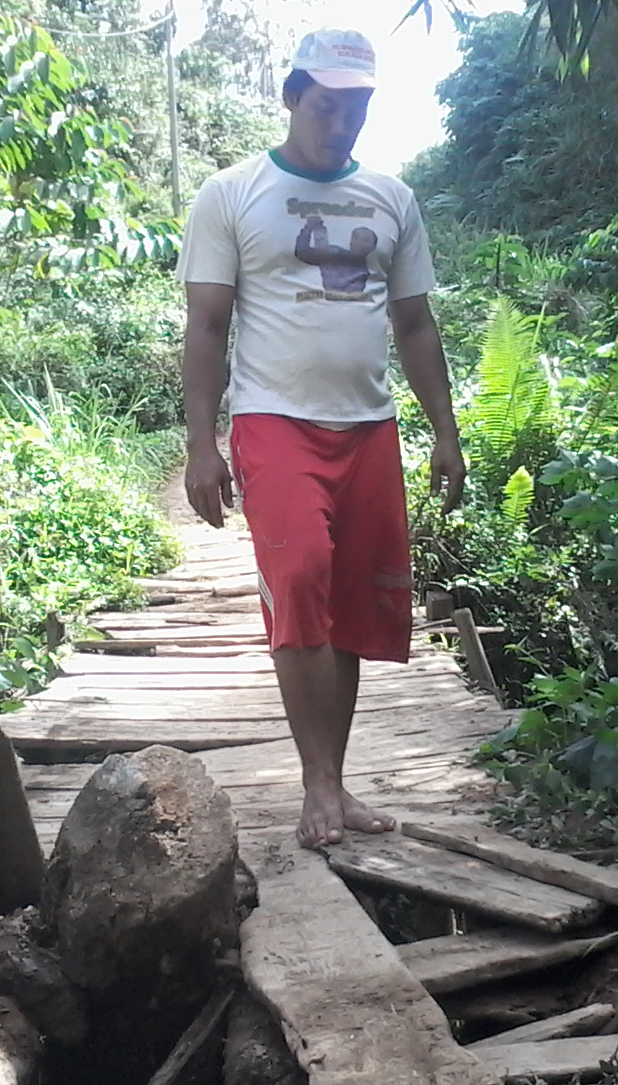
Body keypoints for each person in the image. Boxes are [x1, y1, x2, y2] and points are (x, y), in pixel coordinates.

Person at [177, 27, 465, 850]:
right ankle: (316, 788)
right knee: (300, 575)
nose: (342, 122)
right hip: (273, 420)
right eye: (327, 105)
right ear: (294, 97)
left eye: (358, 107)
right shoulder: (232, 193)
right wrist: (203, 444)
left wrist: (446, 434)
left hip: (369, 427)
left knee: (350, 606)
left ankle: (335, 784)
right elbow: (205, 325)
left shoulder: (391, 198)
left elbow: (415, 324)